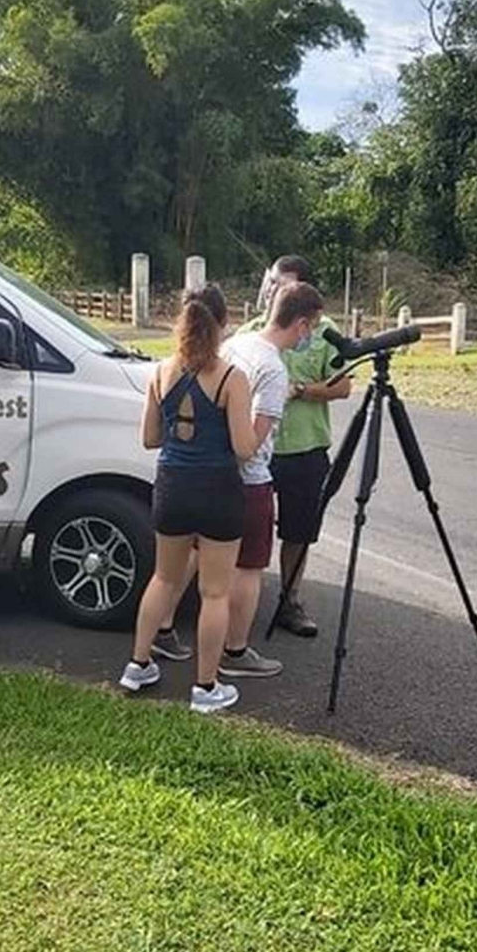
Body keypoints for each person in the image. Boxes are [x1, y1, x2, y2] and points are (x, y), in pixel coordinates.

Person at [119, 284, 259, 713]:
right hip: (218, 489)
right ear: (223, 325)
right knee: (214, 592)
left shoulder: (160, 372)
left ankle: (137, 665)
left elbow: (149, 438)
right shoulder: (233, 378)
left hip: (172, 485)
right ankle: (205, 687)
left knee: (163, 579)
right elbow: (243, 447)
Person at [216, 281, 326, 679]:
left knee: (209, 564)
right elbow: (254, 440)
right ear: (299, 323)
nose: (310, 336)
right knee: (248, 568)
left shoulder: (236, 344)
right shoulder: (274, 369)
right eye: (310, 327)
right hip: (249, 480)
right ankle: (235, 649)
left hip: (212, 473)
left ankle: (184, 636)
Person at [240, 255, 352, 636]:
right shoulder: (251, 332)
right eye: (270, 281)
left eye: (282, 284)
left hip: (304, 448)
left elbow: (342, 387)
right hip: (256, 450)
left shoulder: (324, 331)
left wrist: (300, 390)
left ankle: (289, 600)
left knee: (298, 531)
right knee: (242, 526)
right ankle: (235, 602)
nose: (271, 289)